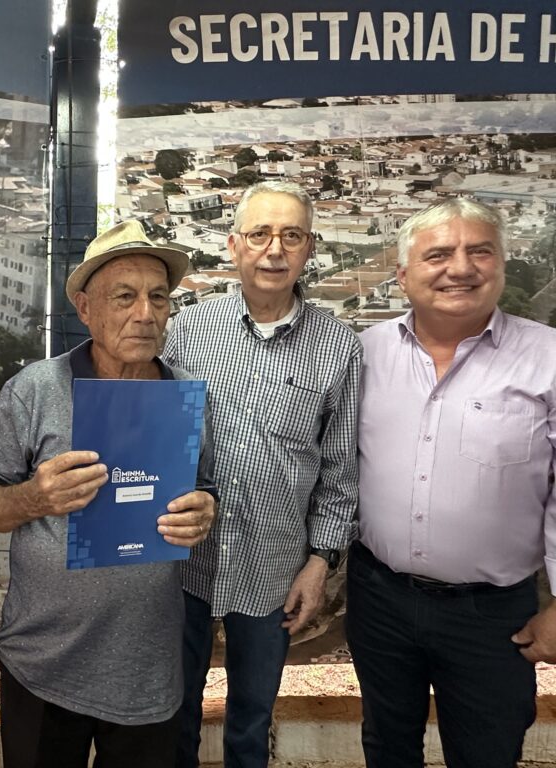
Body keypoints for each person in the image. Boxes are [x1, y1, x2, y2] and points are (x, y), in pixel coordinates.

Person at [0, 219, 216, 767]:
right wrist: (34, 498)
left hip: (146, 666)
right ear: (85, 308)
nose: (144, 313)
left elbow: (204, 488)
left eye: (158, 297)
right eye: (124, 297)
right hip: (43, 662)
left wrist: (205, 510)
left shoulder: (185, 396)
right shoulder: (35, 389)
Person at [347, 197, 556, 768]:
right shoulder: (362, 356)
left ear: (502, 265)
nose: (459, 268)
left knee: (487, 751)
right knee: (387, 745)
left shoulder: (547, 358)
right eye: (438, 254)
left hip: (492, 615)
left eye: (479, 251)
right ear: (402, 275)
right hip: (379, 599)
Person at [165, 180, 361, 768]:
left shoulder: (339, 346)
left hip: (274, 567)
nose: (275, 249)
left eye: (291, 236)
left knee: (252, 718)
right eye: (259, 234)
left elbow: (340, 470)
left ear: (309, 249)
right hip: (182, 562)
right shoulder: (187, 331)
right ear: (234, 246)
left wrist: (320, 562)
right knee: (171, 714)